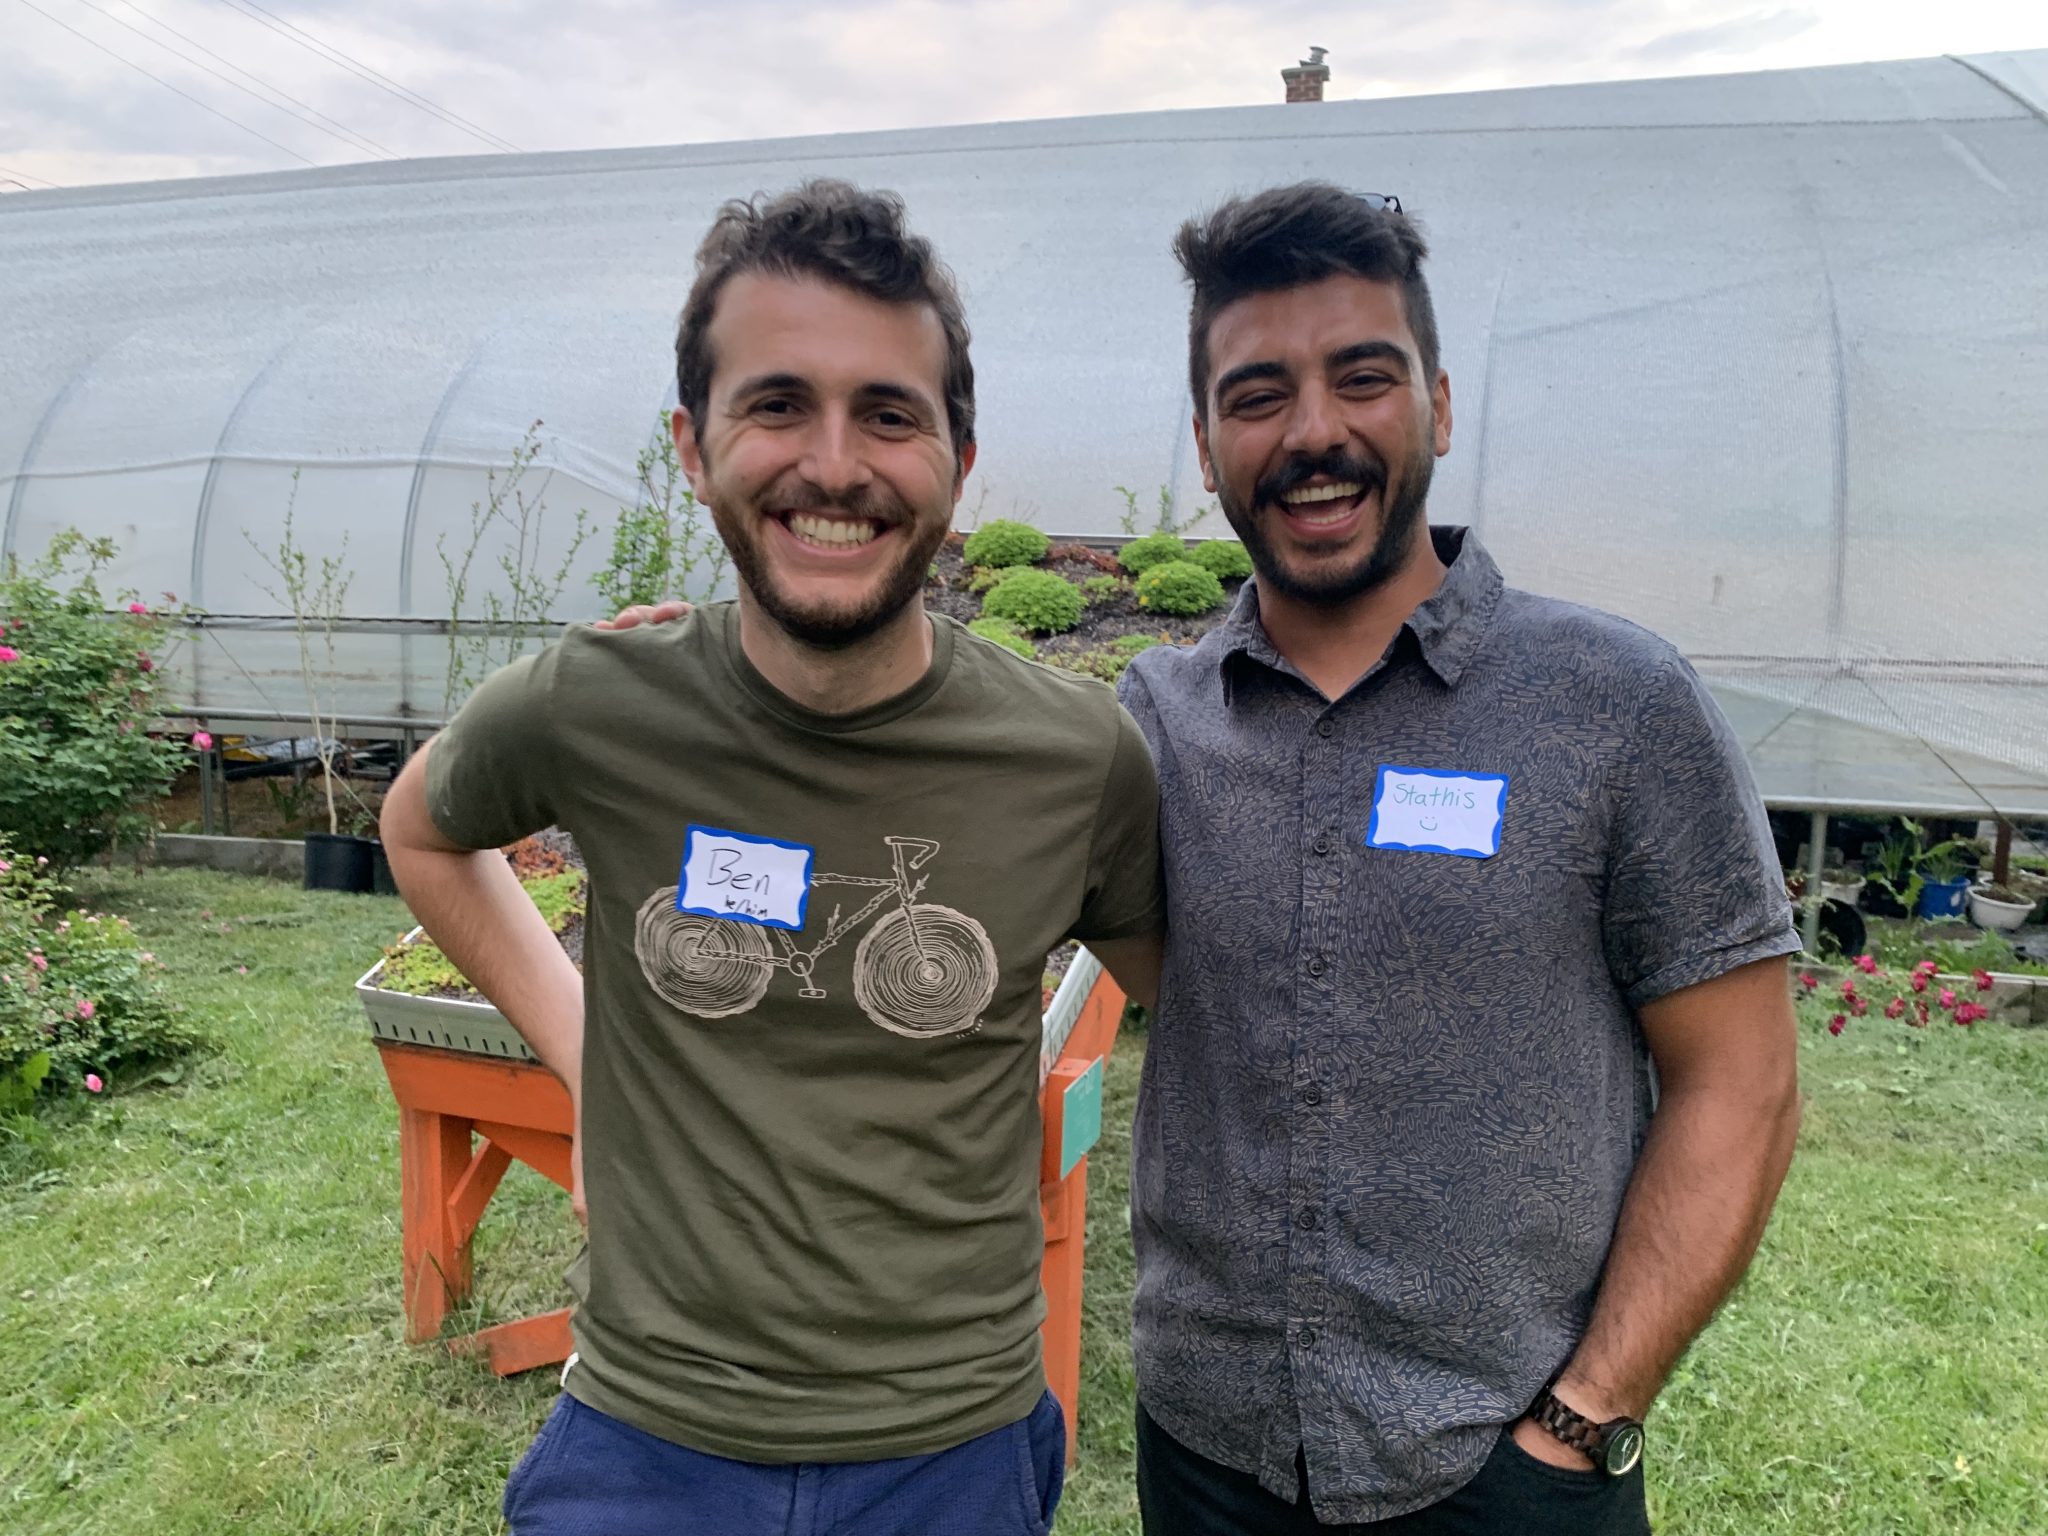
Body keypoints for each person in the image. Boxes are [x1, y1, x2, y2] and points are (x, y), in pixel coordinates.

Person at [380, 178, 1165, 1536]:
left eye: (890, 413)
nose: (836, 462)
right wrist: (582, 1048)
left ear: (960, 463)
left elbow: (1195, 1000)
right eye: (777, 403)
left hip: (953, 1454)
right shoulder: (594, 703)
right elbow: (422, 827)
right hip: (644, 1439)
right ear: (695, 446)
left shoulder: (1076, 757)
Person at [1114, 182, 1803, 1533]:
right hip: (1209, 1461)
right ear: (1205, 444)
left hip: (1504, 1472)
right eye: (1258, 395)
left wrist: (1585, 1414)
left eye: (1360, 378)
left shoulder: (1616, 703)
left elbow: (1744, 1081)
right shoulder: (1153, 727)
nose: (1314, 432)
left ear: (1434, 401)